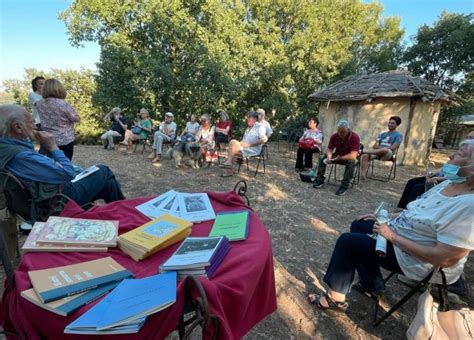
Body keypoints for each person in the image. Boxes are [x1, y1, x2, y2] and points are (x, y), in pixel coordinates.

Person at [308, 139, 474, 312]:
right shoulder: (448, 184)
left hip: (418, 260)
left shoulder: (469, 205)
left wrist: (392, 236)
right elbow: (418, 211)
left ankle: (334, 299)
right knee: (359, 224)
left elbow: (444, 258)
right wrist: (384, 217)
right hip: (400, 237)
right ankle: (373, 283)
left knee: (348, 242)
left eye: (460, 154)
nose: (451, 155)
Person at [0, 104, 125, 207]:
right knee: (103, 170)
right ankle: (127, 213)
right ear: (17, 127)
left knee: (109, 185)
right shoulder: (21, 156)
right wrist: (52, 146)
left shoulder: (6, 147)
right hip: (56, 199)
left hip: (44, 195)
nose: (35, 125)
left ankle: (123, 213)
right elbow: (68, 173)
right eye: (31, 121)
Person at [397, 129, 474, 209]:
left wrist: (436, 178)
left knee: (418, 188)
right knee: (412, 181)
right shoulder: (462, 154)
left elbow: (455, 174)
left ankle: (406, 210)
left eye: (472, 138)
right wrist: (433, 172)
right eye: (467, 137)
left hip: (446, 179)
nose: (468, 140)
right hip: (447, 179)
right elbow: (446, 168)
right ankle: (403, 209)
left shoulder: (466, 202)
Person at [36, 78, 81, 161]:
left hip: (48, 139)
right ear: (59, 89)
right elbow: (76, 118)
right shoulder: (62, 103)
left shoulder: (39, 103)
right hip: (64, 139)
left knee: (52, 163)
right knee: (65, 163)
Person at [312, 120, 360, 196]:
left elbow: (353, 155)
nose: (340, 134)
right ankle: (320, 179)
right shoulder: (334, 136)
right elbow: (330, 149)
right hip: (337, 156)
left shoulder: (355, 137)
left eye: (343, 132)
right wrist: (329, 157)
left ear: (348, 130)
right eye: (339, 132)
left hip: (347, 158)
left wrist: (340, 158)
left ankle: (344, 185)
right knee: (322, 157)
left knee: (352, 162)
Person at [220, 111, 267, 177]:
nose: (247, 119)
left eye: (249, 117)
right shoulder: (248, 128)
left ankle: (228, 166)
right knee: (232, 145)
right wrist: (240, 143)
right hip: (244, 148)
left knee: (232, 146)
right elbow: (244, 140)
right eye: (247, 117)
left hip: (253, 149)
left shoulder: (260, 127)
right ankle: (229, 166)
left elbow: (264, 139)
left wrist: (249, 145)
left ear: (255, 119)